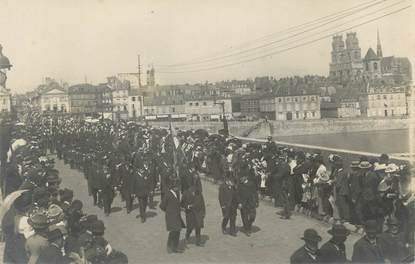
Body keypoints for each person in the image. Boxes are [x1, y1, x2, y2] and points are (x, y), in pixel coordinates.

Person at [159, 181, 185, 253]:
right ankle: (169, 246)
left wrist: (180, 208)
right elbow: (162, 206)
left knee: (177, 231)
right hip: (171, 216)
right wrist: (168, 211)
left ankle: (175, 247)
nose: (179, 189)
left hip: (177, 215)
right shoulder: (168, 194)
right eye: (178, 187)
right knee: (173, 231)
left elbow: (176, 203)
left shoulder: (176, 193)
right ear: (174, 187)